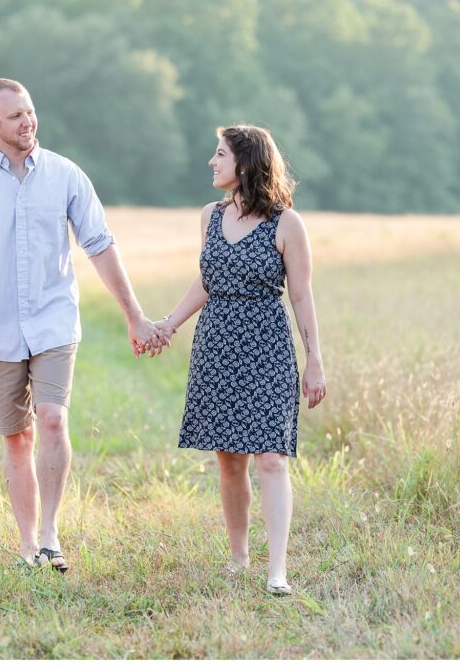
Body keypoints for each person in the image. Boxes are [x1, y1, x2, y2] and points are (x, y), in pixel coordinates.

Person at [0, 78, 167, 573]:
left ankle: (50, 535)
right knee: (17, 437)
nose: (28, 122)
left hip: (55, 321)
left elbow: (100, 245)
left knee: (53, 418)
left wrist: (135, 316)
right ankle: (26, 546)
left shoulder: (66, 176)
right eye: (15, 115)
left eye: (30, 111)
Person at [154, 125, 327, 596]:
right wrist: (169, 324)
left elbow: (302, 296)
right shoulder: (210, 215)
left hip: (267, 349)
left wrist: (314, 361)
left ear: (245, 163)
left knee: (271, 458)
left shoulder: (286, 223)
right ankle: (238, 558)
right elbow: (206, 280)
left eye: (219, 154)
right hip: (216, 347)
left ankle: (277, 570)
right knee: (229, 460)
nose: (212, 162)